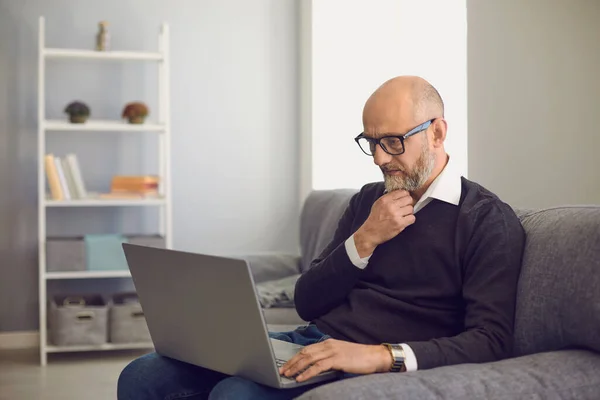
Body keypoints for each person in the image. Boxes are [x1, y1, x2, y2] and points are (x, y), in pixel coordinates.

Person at [117, 75, 526, 399]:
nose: (381, 158)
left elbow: (490, 342)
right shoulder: (368, 200)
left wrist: (378, 356)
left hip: (363, 360)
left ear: (437, 133)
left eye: (393, 142)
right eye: (371, 142)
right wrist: (364, 239)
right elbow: (308, 301)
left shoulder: (487, 221)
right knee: (142, 376)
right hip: (309, 342)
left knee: (234, 394)